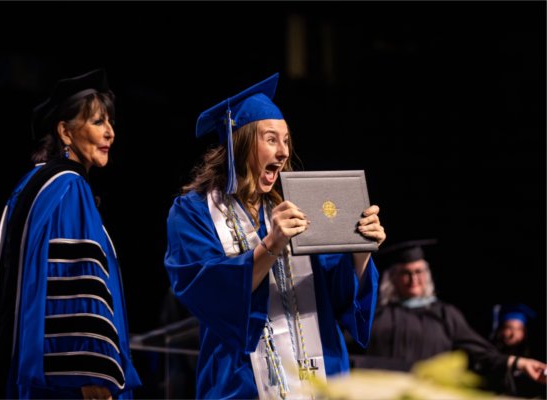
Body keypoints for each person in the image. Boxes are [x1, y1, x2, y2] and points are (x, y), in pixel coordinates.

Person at [163, 73, 386, 399]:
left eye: (286, 140)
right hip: (242, 383)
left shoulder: (296, 206)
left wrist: (360, 250)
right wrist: (270, 245)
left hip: (321, 380)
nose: (283, 152)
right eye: (271, 139)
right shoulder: (193, 212)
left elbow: (338, 295)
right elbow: (204, 288)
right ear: (238, 142)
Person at [0, 69, 141, 399]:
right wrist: (92, 373)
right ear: (65, 131)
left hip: (24, 372)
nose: (110, 134)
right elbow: (76, 283)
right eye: (97, 122)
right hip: (68, 385)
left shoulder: (30, 186)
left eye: (111, 123)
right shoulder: (70, 188)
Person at [350, 239, 546, 396]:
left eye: (419, 271)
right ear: (392, 277)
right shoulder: (376, 313)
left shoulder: (445, 314)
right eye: (405, 273)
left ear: (427, 275)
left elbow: (481, 354)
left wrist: (519, 363)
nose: (414, 279)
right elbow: (346, 349)